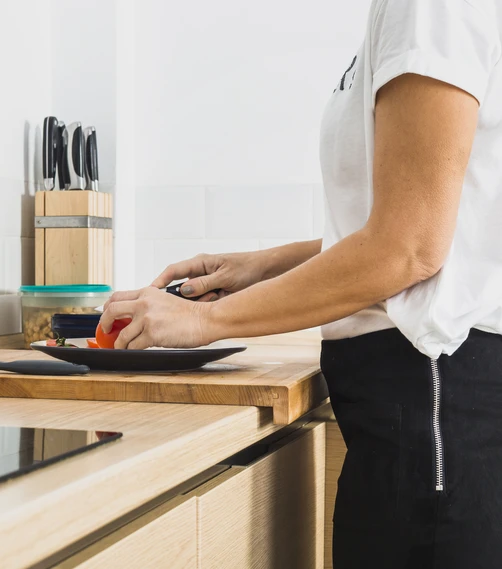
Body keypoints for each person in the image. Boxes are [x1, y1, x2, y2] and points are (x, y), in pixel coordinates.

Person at [100, 1, 502, 567]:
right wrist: (260, 268)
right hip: (416, 406)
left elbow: (409, 248)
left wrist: (202, 320)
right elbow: (430, 228)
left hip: (432, 405)